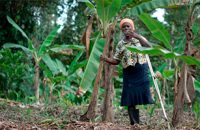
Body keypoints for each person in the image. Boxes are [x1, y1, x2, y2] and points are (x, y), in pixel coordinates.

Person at [100, 18, 154, 125]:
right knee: (130, 98)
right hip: (129, 73)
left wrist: (137, 36)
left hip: (141, 70)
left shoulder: (139, 39)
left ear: (132, 28)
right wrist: (105, 58)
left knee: (141, 95)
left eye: (128, 26)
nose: (126, 28)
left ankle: (141, 120)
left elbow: (149, 47)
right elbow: (116, 60)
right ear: (122, 30)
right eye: (124, 27)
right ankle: (134, 123)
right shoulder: (121, 44)